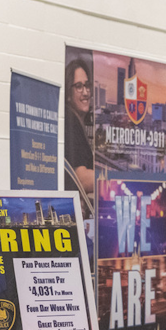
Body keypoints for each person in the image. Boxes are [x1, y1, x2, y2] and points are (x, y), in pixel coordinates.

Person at [64, 57, 95, 215]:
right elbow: (81, 178)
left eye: (87, 85)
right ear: (68, 93)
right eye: (78, 86)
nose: (85, 92)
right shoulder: (70, 123)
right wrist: (114, 179)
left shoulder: (75, 121)